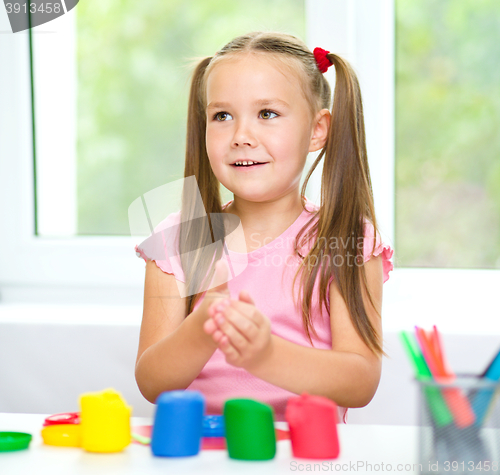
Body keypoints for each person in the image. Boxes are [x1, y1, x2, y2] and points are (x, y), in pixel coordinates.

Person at [134, 31, 394, 423]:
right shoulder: (180, 241)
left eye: (267, 114)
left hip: (305, 455)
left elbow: (361, 383)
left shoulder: (348, 241)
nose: (241, 136)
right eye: (222, 116)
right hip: (203, 454)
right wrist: (202, 330)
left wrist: (266, 354)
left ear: (317, 129)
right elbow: (152, 383)